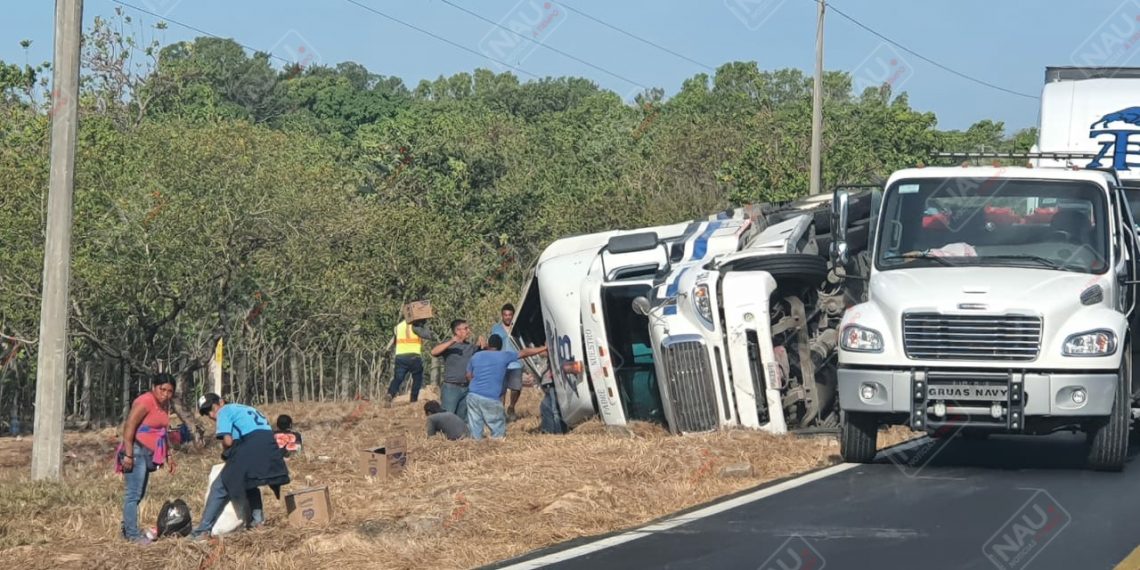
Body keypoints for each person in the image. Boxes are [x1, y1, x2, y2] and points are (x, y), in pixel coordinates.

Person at [190, 393, 290, 540]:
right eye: (206, 413)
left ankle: (203, 530)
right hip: (269, 445)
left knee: (220, 486)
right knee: (250, 482)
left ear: (221, 402)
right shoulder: (244, 408)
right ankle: (258, 522)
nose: (211, 414)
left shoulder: (224, 410)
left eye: (211, 408)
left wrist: (224, 452)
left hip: (252, 444)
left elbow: (228, 441)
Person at [118, 374, 176, 545]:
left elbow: (163, 432)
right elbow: (129, 427)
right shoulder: (145, 401)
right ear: (154, 387)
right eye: (162, 389)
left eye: (170, 391)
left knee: (140, 493)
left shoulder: (165, 405)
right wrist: (128, 455)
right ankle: (133, 535)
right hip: (136, 450)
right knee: (133, 495)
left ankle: (128, 529)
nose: (165, 394)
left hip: (148, 453)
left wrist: (169, 455)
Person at [465, 336, 546, 440]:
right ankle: (497, 447)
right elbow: (525, 352)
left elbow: (468, 375)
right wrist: (544, 348)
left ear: (489, 345)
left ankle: (476, 446)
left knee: (475, 427)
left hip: (473, 396)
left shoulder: (476, 356)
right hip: (491, 398)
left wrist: (476, 386)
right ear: (501, 346)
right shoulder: (504, 355)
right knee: (497, 428)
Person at [430, 319, 486, 422]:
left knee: (462, 418)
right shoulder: (449, 346)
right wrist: (452, 341)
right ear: (457, 331)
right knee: (447, 416)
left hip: (466, 388)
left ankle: (461, 437)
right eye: (465, 328)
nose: (468, 331)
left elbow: (484, 352)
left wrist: (483, 343)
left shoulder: (469, 346)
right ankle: (444, 436)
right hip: (451, 388)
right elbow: (434, 352)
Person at [386, 317, 436, 406]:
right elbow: (428, 335)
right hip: (414, 356)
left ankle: (390, 393)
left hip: (400, 356)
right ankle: (413, 400)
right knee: (417, 379)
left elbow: (395, 341)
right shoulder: (415, 326)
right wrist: (425, 325)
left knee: (398, 378)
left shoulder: (398, 326)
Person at [490, 303, 524, 421]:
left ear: (513, 315)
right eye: (505, 315)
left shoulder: (519, 328)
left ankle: (511, 406)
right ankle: (501, 412)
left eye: (510, 315)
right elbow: (493, 345)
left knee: (516, 388)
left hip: (516, 362)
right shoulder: (496, 328)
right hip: (501, 363)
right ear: (502, 315)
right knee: (501, 389)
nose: (507, 317)